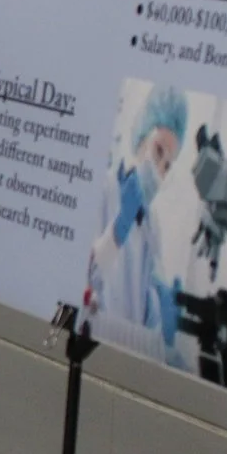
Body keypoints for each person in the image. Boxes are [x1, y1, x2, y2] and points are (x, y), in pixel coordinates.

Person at [84, 84, 189, 360]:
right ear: (142, 136)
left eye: (168, 165)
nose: (159, 168)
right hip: (93, 344)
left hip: (129, 356)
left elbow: (146, 311)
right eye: (158, 151)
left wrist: (164, 313)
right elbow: (86, 279)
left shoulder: (151, 223)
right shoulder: (102, 190)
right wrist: (119, 227)